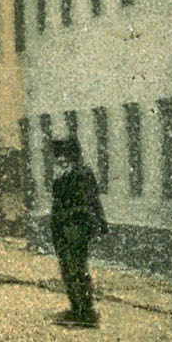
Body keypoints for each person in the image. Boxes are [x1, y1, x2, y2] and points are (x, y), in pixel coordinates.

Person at [48, 138, 110, 327]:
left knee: (77, 268)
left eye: (65, 157)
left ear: (73, 157)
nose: (61, 160)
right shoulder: (62, 176)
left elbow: (90, 201)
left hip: (76, 227)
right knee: (68, 269)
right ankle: (76, 307)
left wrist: (99, 223)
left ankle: (85, 310)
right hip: (63, 228)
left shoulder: (82, 174)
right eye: (58, 157)